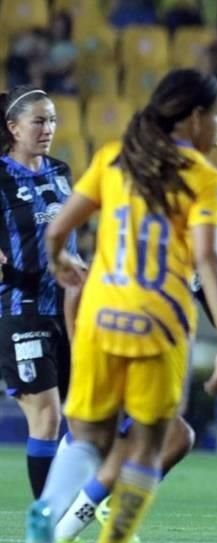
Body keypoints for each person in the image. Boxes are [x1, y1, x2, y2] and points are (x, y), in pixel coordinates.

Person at [24, 69, 217, 543]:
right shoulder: (206, 178)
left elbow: (57, 230)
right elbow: (208, 258)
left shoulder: (113, 159)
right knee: (146, 449)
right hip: (158, 324)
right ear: (193, 117)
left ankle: (44, 518)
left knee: (88, 440)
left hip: (100, 313)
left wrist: (60, 265)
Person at [54, 295, 217, 543]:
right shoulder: (139, 259)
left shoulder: (189, 267)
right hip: (122, 344)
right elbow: (83, 287)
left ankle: (80, 527)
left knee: (177, 438)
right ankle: (64, 528)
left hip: (158, 354)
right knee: (109, 440)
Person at [0, 87, 79, 501]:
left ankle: (86, 504)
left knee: (87, 417)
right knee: (47, 417)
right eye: (39, 121)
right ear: (13, 128)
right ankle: (46, 522)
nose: (48, 129)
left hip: (66, 309)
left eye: (52, 120)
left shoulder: (61, 171)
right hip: (19, 307)